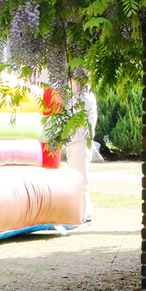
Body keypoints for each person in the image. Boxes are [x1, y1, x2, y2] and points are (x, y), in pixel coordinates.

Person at [66, 77, 99, 224]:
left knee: (81, 179)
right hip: (73, 141)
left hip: (81, 142)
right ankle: (80, 213)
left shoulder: (85, 97)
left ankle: (84, 215)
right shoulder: (77, 97)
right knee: (74, 179)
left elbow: (71, 111)